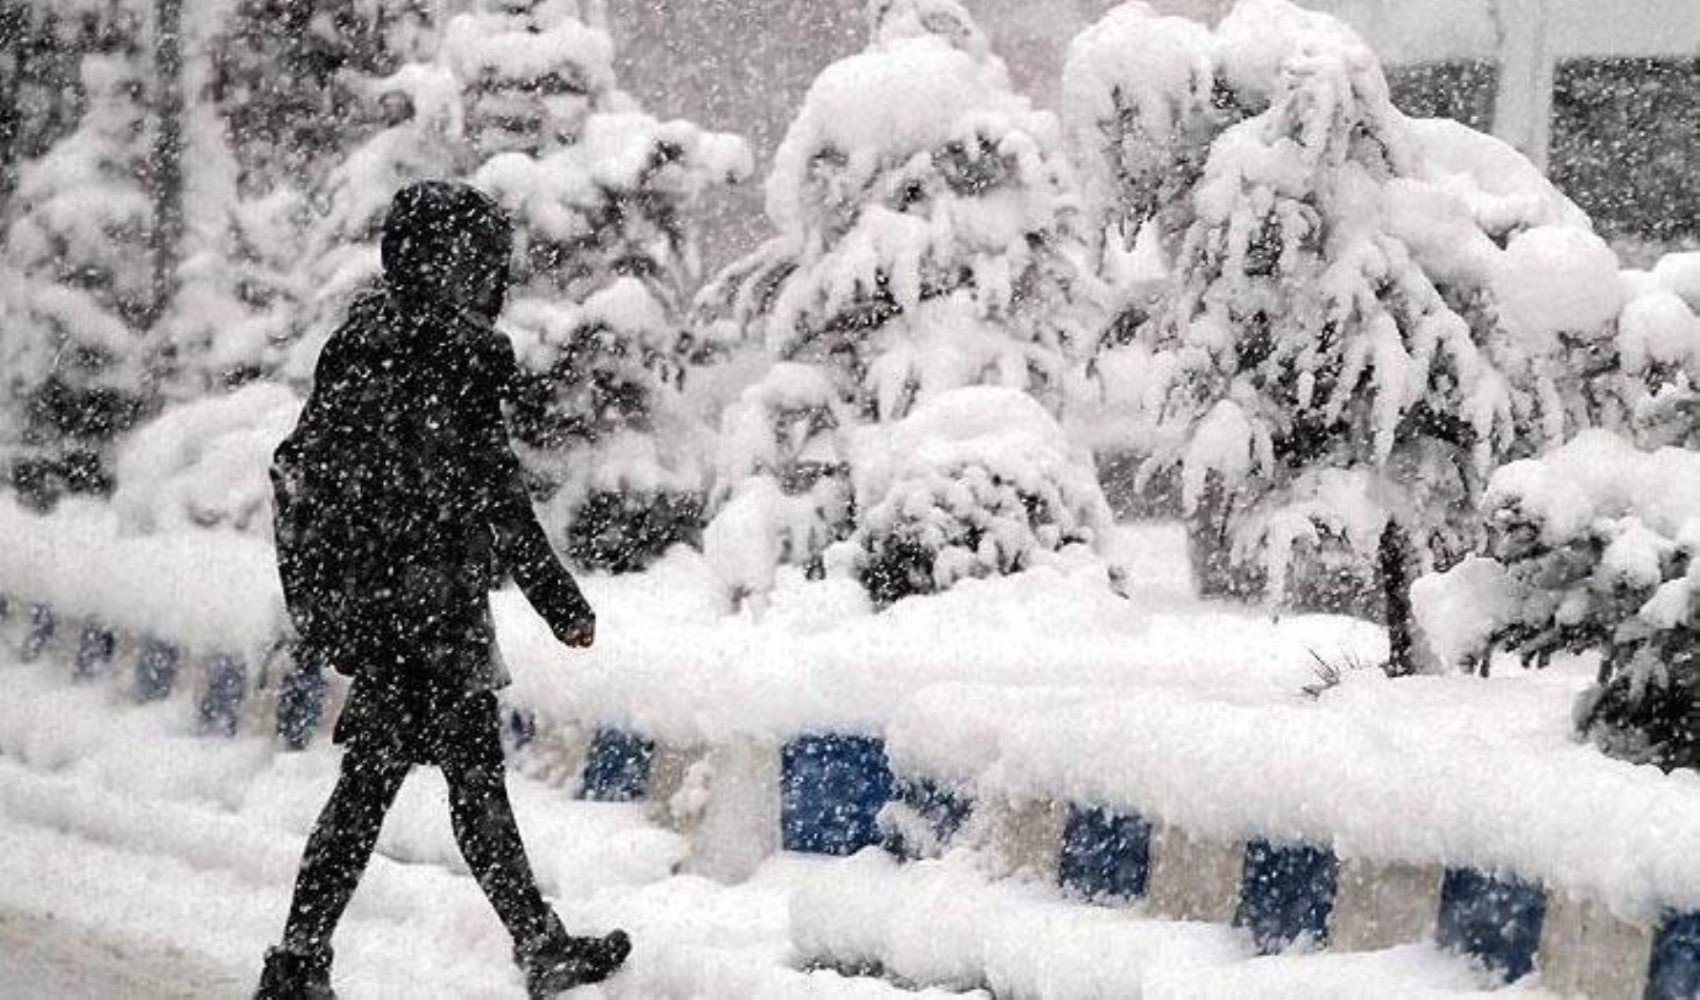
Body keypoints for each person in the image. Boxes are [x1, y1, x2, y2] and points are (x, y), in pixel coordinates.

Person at [256, 181, 630, 1000]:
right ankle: (310, 960)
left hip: (414, 606)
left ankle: (307, 959)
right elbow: (470, 490)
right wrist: (553, 598)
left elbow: (473, 486)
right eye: (472, 260)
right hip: (414, 609)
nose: (486, 277)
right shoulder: (419, 353)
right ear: (430, 261)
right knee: (420, 783)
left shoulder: (395, 347)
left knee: (419, 781)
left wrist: (549, 596)